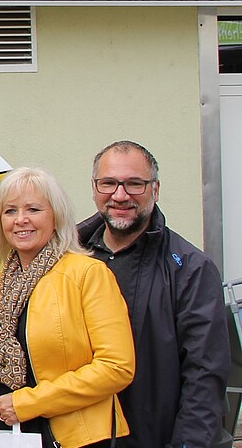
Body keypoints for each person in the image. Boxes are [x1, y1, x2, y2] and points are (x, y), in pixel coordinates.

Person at [0, 167, 135, 448]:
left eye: (34, 209)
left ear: (56, 217)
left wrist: (30, 403)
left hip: (76, 440)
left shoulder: (87, 274)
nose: (21, 220)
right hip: (2, 437)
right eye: (10, 211)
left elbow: (116, 367)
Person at [76, 141, 230, 448]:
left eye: (135, 184)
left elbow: (204, 376)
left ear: (155, 190)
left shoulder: (190, 269)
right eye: (109, 183)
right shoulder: (69, 258)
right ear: (94, 188)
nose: (120, 195)